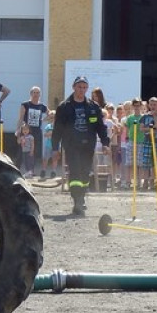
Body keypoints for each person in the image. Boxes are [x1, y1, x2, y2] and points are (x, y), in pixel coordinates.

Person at [51, 76, 110, 215]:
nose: (81, 90)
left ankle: (82, 197)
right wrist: (55, 148)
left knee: (85, 172)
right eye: (79, 87)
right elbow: (57, 129)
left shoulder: (93, 107)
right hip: (71, 145)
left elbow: (100, 127)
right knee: (75, 171)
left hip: (88, 145)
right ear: (73, 87)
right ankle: (77, 200)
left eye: (84, 87)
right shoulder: (64, 107)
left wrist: (105, 143)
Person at [17, 86, 49, 151]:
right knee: (23, 152)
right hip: (26, 132)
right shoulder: (25, 104)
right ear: (31, 94)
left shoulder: (42, 106)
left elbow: (51, 114)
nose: (36, 94)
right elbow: (20, 118)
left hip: (37, 132)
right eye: (34, 92)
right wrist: (18, 131)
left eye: (38, 93)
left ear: (40, 94)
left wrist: (43, 120)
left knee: (35, 152)